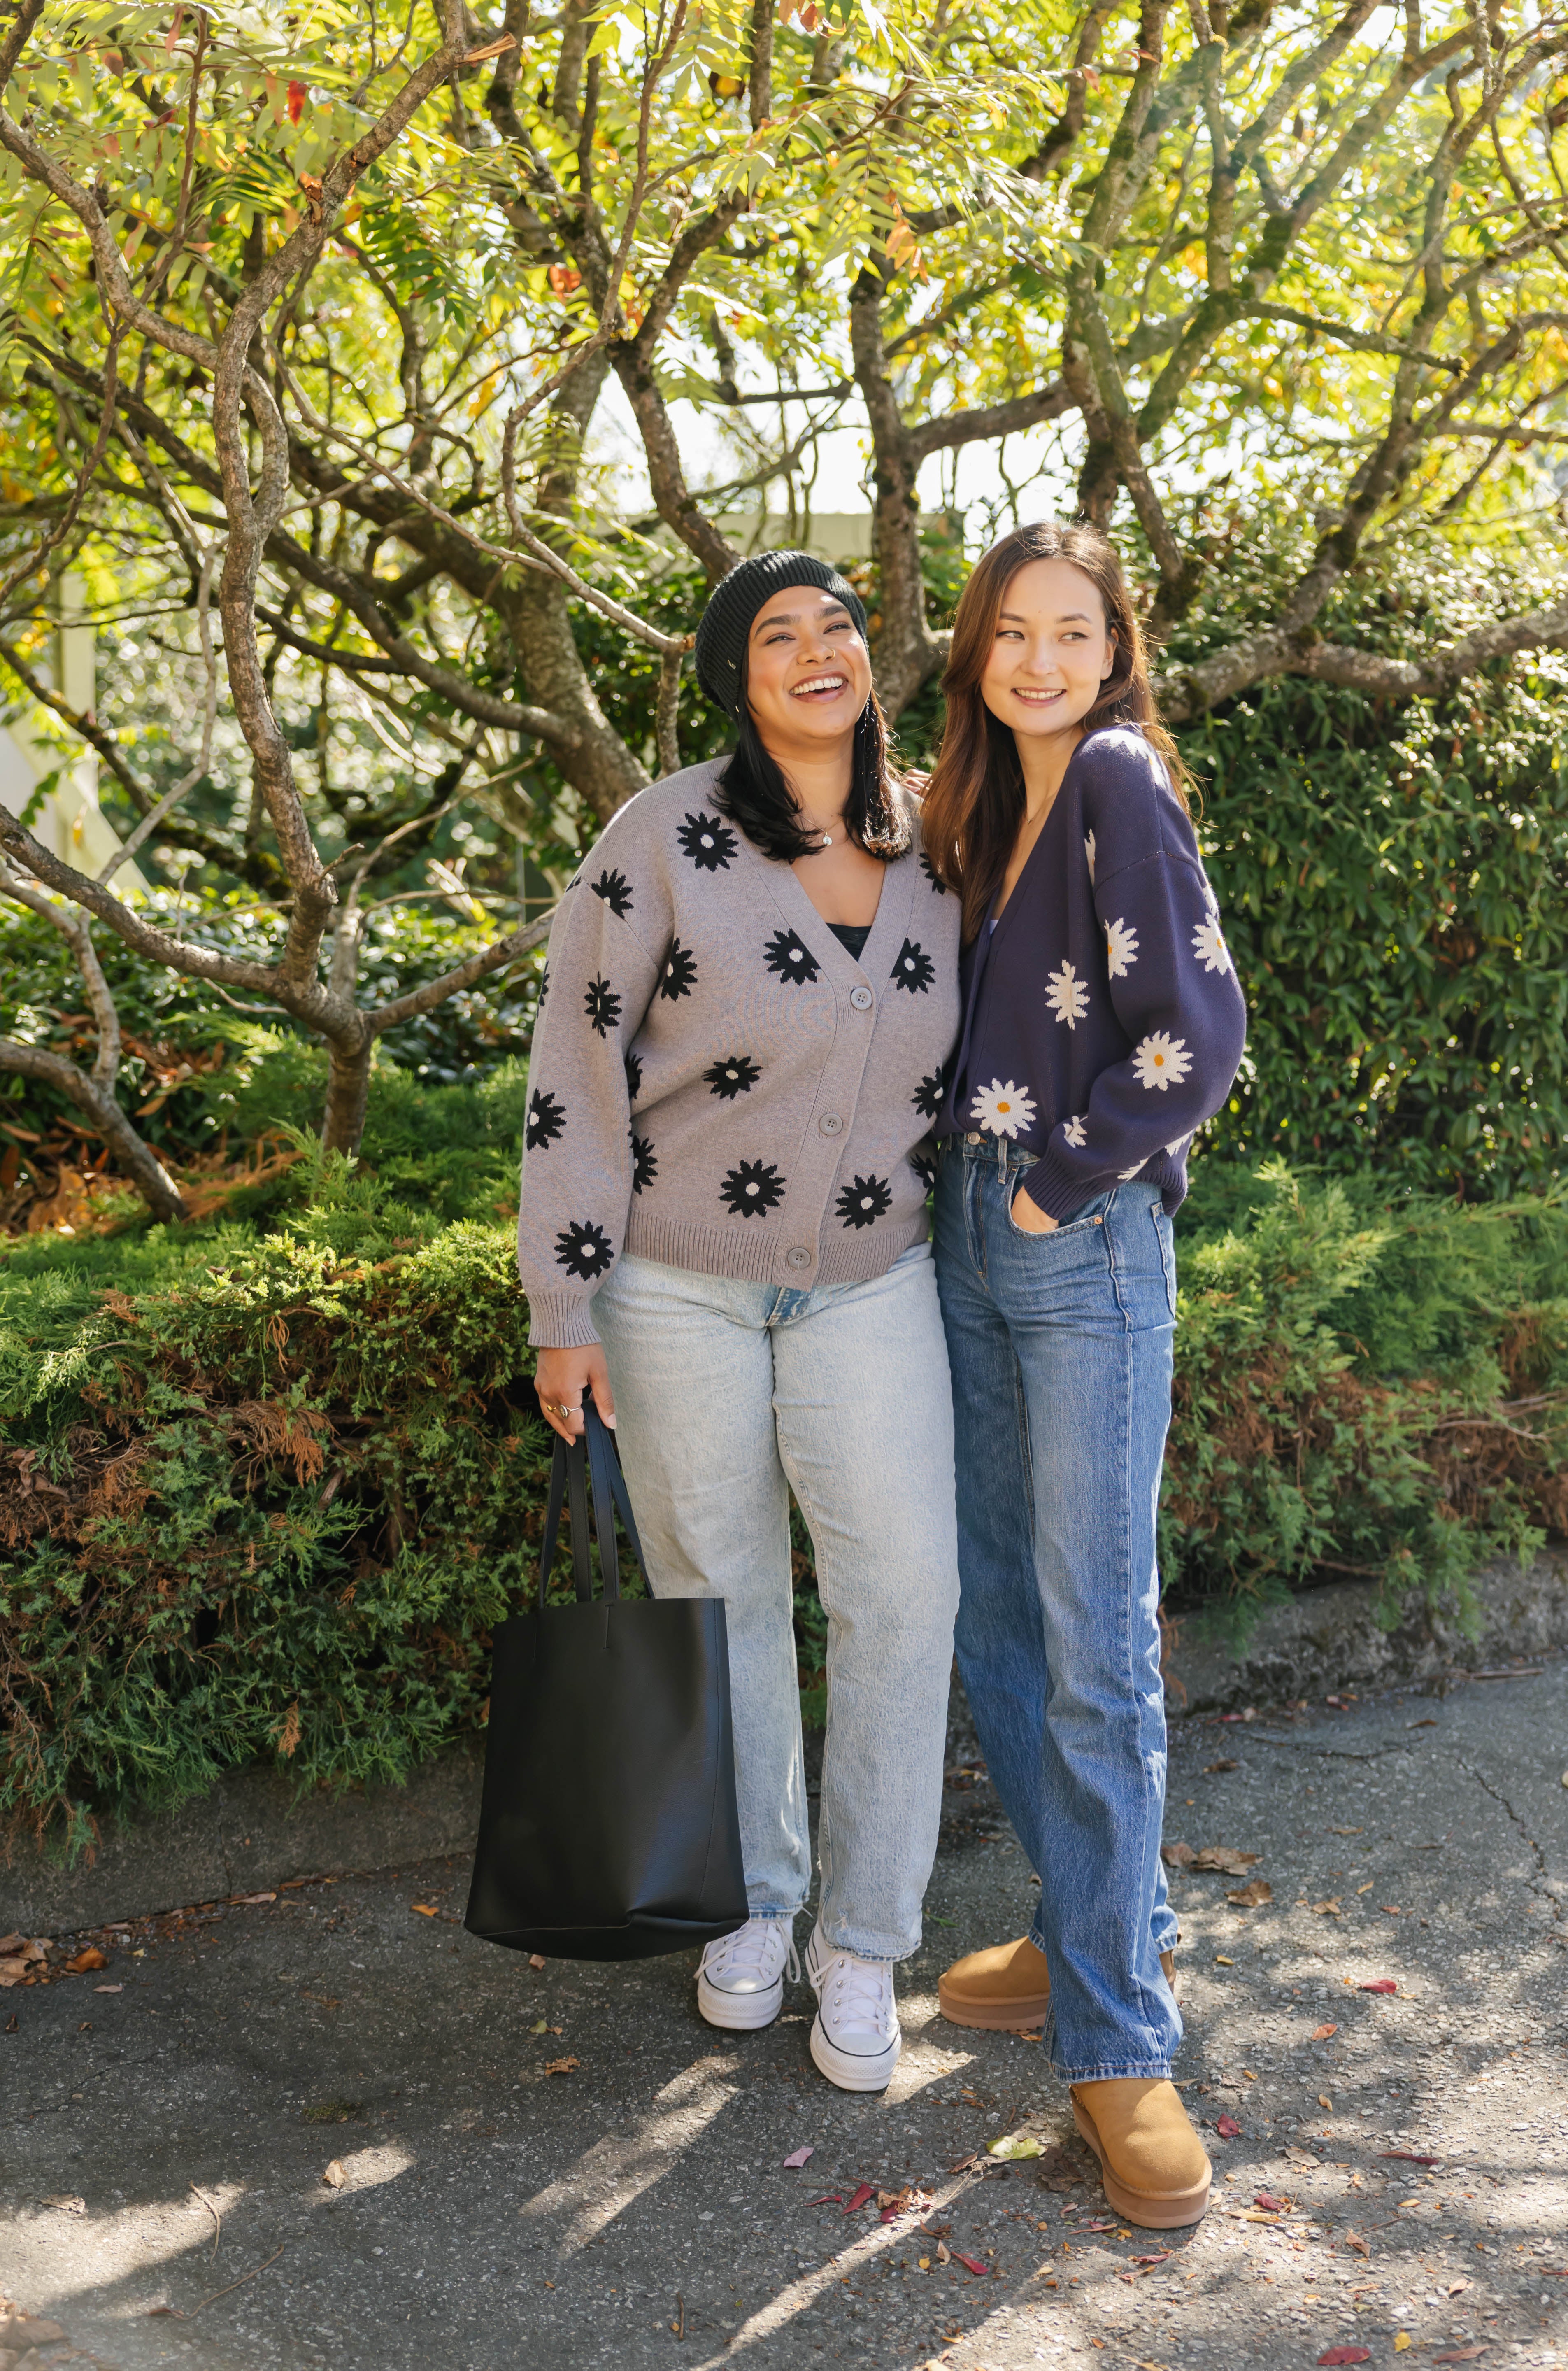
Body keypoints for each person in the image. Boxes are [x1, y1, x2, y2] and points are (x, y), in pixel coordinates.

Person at [519, 550, 962, 2093]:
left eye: (837, 624)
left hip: (873, 1281)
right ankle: (758, 1910)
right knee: (721, 1597)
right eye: (777, 636)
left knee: (904, 1591)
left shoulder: (941, 847)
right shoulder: (664, 837)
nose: (817, 650)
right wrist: (561, 1299)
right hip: (673, 1285)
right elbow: (573, 1062)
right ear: (736, 678)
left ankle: (867, 1943)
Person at [921, 521, 1247, 2225]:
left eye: (1074, 630)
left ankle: (1122, 2036)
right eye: (1010, 633)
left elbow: (1201, 1036)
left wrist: (1059, 1182)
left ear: (1118, 645)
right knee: (999, 1615)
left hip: (1075, 1238)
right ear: (973, 649)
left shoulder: (1115, 777)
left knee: (1095, 1643)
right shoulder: (976, 804)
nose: (1039, 660)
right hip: (963, 1239)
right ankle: (1072, 1933)